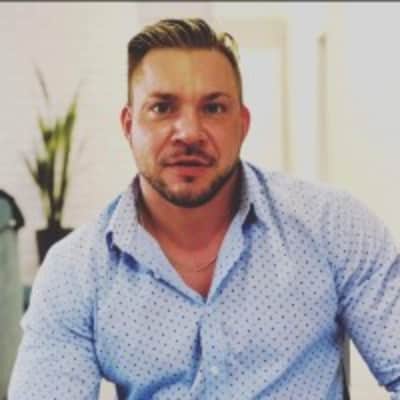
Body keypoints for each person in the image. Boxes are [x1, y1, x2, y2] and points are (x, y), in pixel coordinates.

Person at [8, 18, 400, 400]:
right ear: (128, 125)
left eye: (213, 108)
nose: (189, 133)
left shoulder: (333, 226)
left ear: (242, 124)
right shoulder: (75, 272)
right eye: (162, 108)